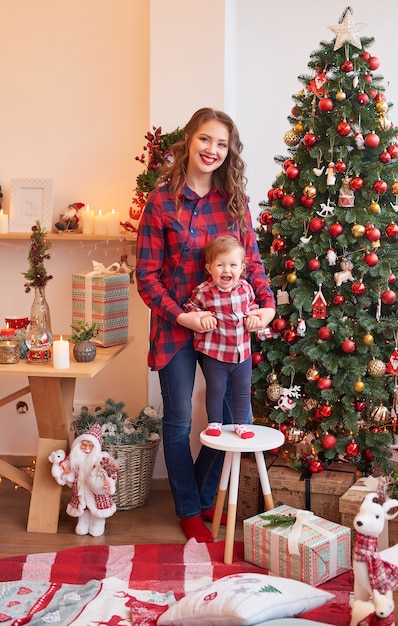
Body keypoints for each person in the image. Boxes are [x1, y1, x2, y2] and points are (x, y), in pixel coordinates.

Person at [136, 107, 275, 543]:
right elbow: (146, 276)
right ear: (189, 141)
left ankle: (200, 493)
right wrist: (181, 314)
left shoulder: (234, 203)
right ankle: (190, 509)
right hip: (177, 325)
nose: (212, 150)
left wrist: (267, 306)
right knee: (178, 420)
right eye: (205, 140)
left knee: (231, 420)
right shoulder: (161, 202)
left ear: (229, 151)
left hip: (228, 330)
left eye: (221, 144)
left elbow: (251, 262)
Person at [184, 235, 261, 439]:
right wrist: (201, 318)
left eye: (233, 265)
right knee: (216, 390)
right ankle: (215, 422)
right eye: (220, 265)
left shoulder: (245, 288)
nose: (227, 270)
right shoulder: (204, 291)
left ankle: (241, 424)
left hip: (242, 353)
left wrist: (254, 317)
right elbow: (190, 309)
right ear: (209, 268)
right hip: (215, 354)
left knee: (243, 391)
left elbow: (252, 307)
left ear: (242, 267)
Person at [50, 422, 119, 537]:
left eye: (90, 445)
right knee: (83, 508)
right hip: (81, 491)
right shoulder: (76, 459)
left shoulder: (102, 460)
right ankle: (83, 523)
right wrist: (64, 473)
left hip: (96, 491)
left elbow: (111, 472)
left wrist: (108, 483)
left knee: (96, 509)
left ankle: (97, 524)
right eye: (84, 445)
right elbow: (65, 469)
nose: (87, 448)